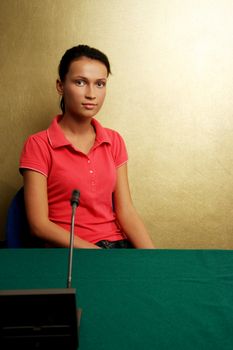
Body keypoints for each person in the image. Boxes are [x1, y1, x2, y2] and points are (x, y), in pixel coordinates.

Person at [19, 44, 155, 249]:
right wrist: (97, 255)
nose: (91, 94)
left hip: (117, 246)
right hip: (68, 254)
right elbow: (39, 225)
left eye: (100, 84)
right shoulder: (38, 144)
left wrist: (154, 259)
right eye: (80, 82)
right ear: (60, 85)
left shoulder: (114, 140)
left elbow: (126, 210)